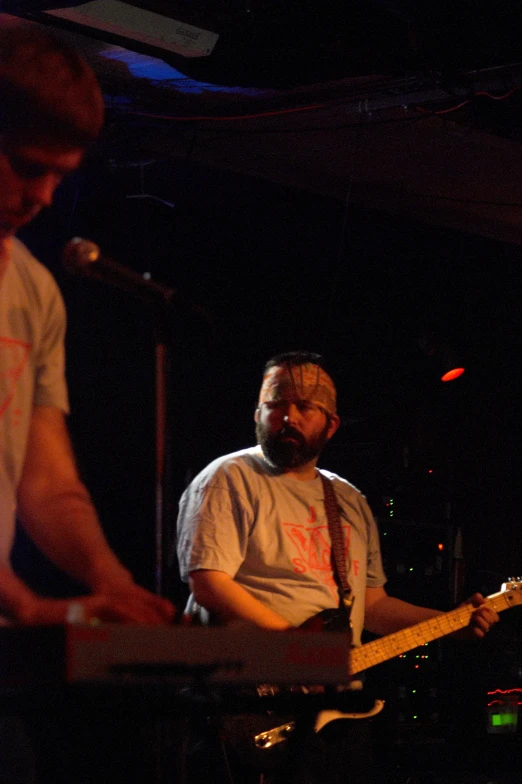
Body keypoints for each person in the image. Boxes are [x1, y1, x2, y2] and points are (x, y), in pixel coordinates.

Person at [176, 350, 499, 783]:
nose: (287, 416)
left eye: (304, 406)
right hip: (246, 697)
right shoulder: (229, 477)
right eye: (275, 404)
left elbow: (373, 605)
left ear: (330, 425)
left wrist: (451, 623)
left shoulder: (347, 500)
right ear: (258, 413)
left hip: (330, 717)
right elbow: (209, 582)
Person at [0, 19, 174, 627]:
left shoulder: (34, 291)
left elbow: (46, 482)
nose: (44, 196)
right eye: (27, 166)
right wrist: (23, 602)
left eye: (60, 174)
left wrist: (115, 585)